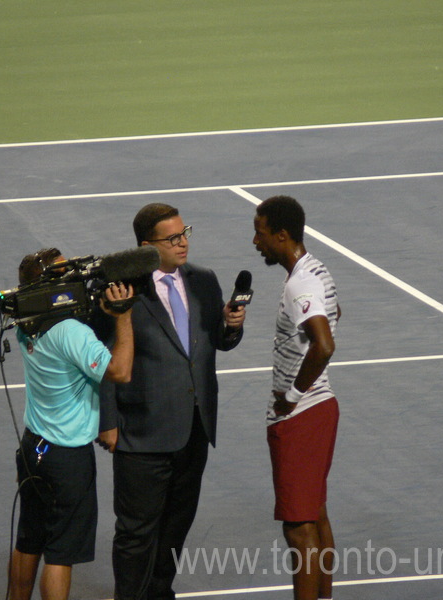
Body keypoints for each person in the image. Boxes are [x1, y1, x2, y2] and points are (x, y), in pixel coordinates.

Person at [99, 203, 246, 600]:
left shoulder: (203, 280)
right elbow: (103, 358)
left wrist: (231, 327)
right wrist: (107, 421)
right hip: (141, 434)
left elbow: (214, 342)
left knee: (175, 529)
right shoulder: (121, 290)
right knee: (135, 533)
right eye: (172, 237)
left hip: (194, 429)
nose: (183, 243)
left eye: (185, 233)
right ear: (146, 246)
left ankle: (160, 593)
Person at [8, 248, 136, 600]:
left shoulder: (25, 324)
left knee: (28, 540)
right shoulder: (70, 333)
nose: (74, 278)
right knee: (61, 553)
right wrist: (122, 316)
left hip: (33, 447)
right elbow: (120, 371)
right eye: (65, 274)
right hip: (67, 459)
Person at [252, 196, 341, 600]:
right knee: (316, 517)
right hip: (321, 409)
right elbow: (336, 315)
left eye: (261, 232)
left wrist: (290, 395)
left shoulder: (300, 282)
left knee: (299, 528)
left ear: (282, 235)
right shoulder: (317, 270)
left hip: (301, 416)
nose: (256, 241)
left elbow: (323, 344)